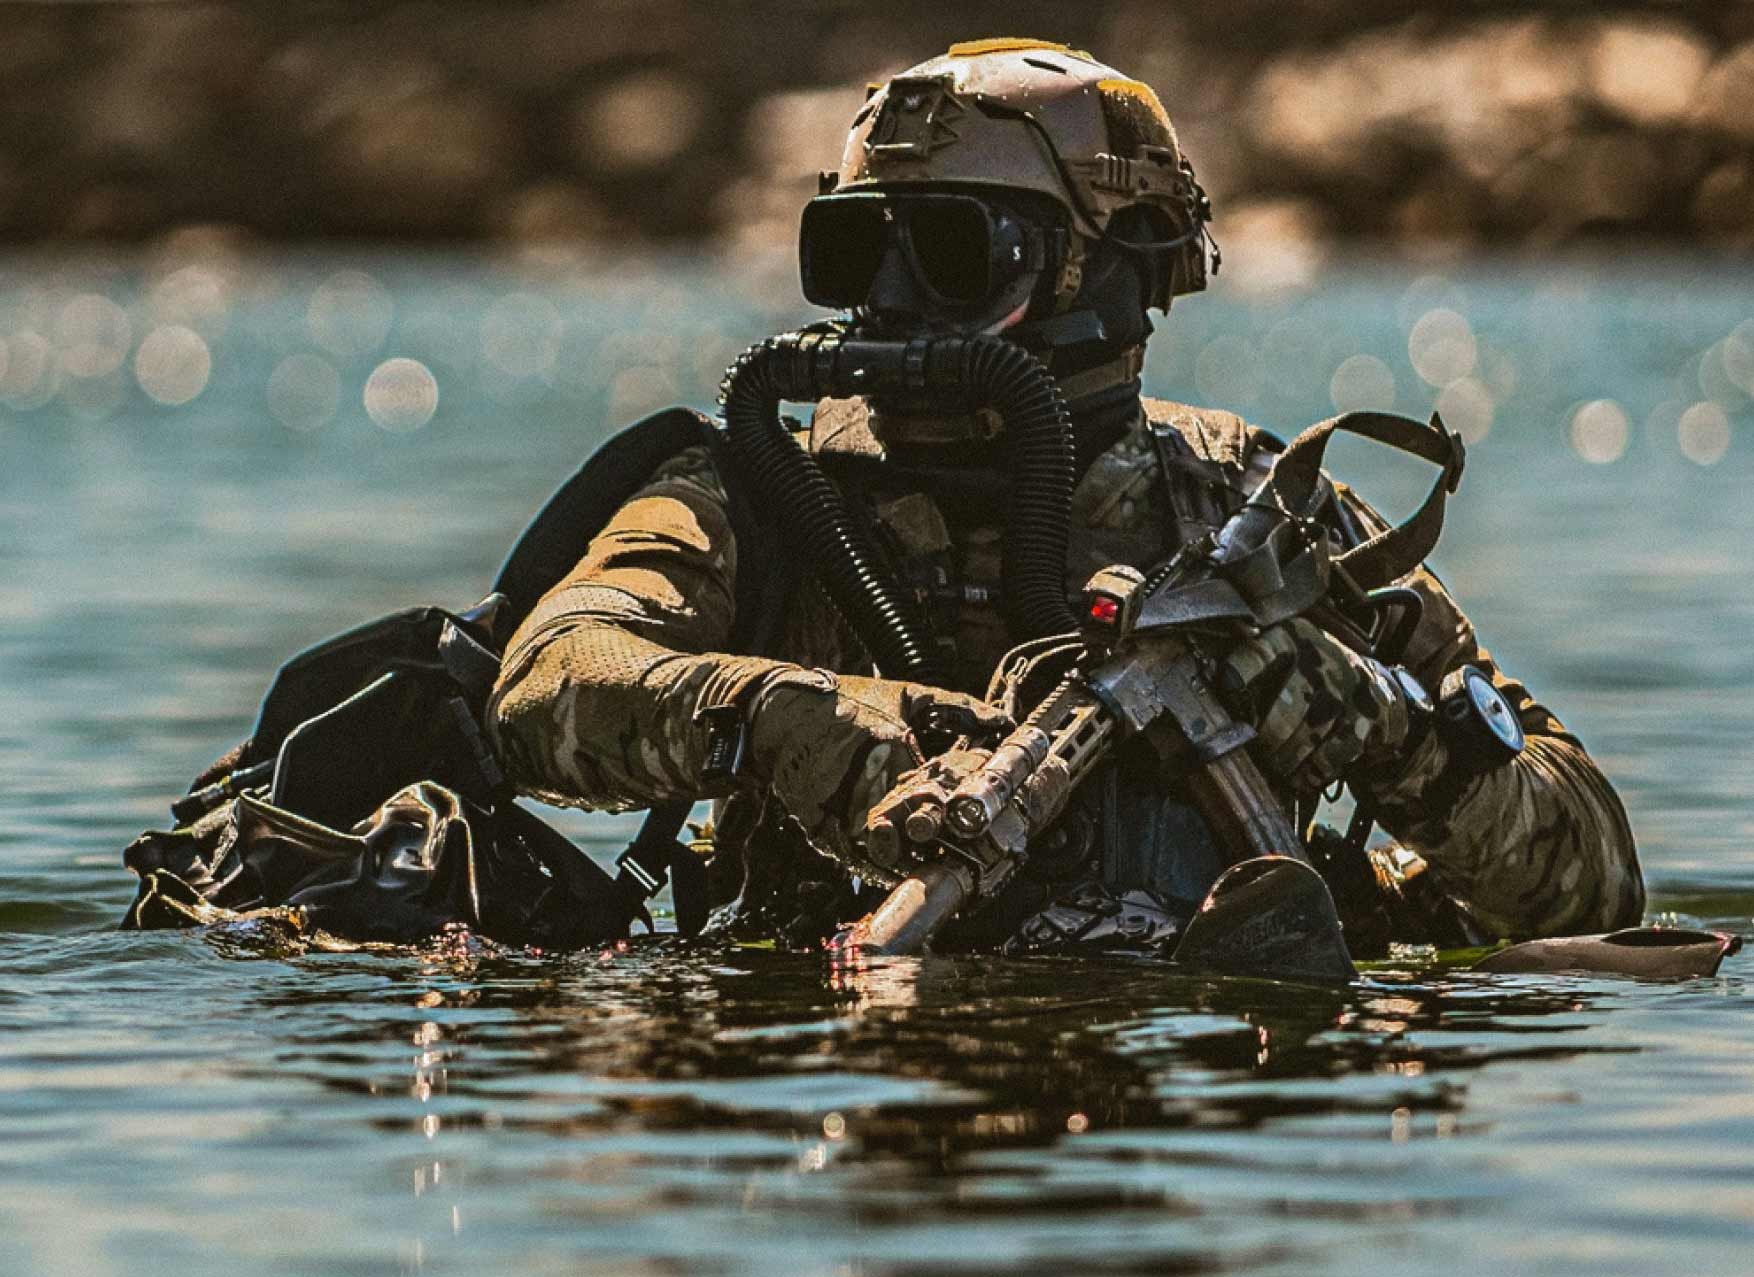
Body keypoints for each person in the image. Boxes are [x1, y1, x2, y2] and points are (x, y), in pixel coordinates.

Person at [487, 39, 1643, 955]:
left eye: (947, 251)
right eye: (854, 252)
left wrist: (1379, 729)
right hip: (847, 1037)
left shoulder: (1259, 519)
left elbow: (1594, 883)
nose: (888, 302)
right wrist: (780, 719)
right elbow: (549, 674)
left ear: (1115, 265)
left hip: (1195, 1085)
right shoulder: (766, 494)